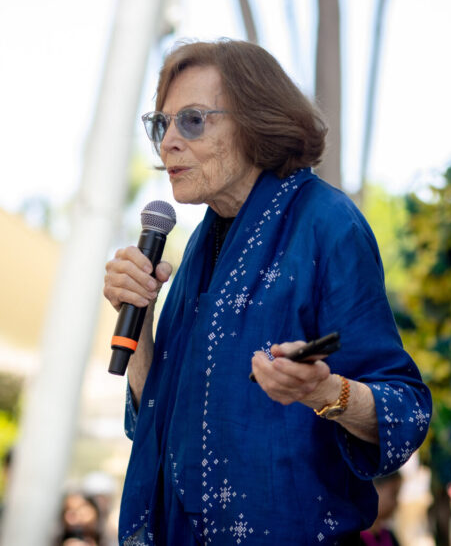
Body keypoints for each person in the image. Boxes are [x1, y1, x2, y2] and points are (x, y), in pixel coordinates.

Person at [103, 39, 432, 544]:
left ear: (256, 122)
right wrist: (140, 316)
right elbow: (157, 412)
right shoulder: (199, 248)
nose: (169, 141)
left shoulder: (328, 224)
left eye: (191, 120)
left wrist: (325, 391)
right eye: (160, 124)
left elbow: (405, 411)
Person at [361, 473, 403, 546]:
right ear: (374, 489)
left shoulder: (388, 536)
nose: (396, 502)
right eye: (394, 494)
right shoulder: (348, 538)